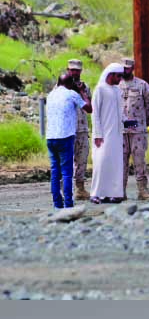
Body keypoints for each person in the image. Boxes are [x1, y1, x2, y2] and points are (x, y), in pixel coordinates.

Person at [45, 73, 92, 209]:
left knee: (55, 172)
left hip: (50, 137)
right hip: (65, 137)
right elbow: (89, 108)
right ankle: (69, 204)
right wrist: (82, 91)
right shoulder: (72, 94)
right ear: (70, 83)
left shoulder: (51, 95)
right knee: (66, 173)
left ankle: (57, 204)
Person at [119, 57, 149, 200]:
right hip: (120, 132)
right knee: (120, 162)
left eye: (127, 68)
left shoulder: (142, 85)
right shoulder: (115, 85)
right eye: (122, 68)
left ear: (132, 68)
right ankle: (120, 191)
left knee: (139, 160)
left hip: (138, 131)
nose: (124, 70)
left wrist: (140, 121)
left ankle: (143, 190)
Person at [90, 63, 126, 204]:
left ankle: (113, 194)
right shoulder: (100, 89)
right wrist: (98, 134)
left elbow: (119, 112)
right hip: (103, 135)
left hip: (117, 135)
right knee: (101, 163)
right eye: (119, 76)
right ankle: (95, 194)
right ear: (111, 75)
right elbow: (95, 114)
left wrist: (126, 124)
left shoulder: (117, 91)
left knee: (115, 164)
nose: (121, 79)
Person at [67, 59, 92, 201]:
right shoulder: (61, 86)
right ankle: (66, 190)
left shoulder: (85, 87)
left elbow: (89, 107)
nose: (75, 72)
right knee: (66, 161)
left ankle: (80, 188)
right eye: (72, 70)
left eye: (77, 70)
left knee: (82, 160)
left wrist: (81, 91)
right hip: (67, 130)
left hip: (82, 129)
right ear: (68, 70)